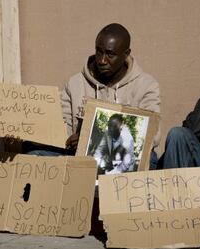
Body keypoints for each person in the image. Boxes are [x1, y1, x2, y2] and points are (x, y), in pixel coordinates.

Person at [25, 23, 160, 157]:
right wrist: (28, 132)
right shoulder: (75, 83)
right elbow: (63, 128)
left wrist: (92, 140)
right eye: (99, 51)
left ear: (126, 54)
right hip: (80, 158)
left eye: (110, 55)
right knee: (33, 154)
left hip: (122, 159)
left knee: (151, 158)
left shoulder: (146, 85)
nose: (102, 60)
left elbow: (151, 136)